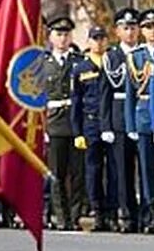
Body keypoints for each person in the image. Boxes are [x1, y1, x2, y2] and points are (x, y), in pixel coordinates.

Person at [72, 25, 116, 231]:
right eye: (95, 38)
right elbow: (77, 102)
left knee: (114, 169)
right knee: (93, 170)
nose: (99, 42)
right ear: (88, 42)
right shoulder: (81, 68)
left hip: (112, 124)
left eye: (102, 38)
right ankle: (97, 211)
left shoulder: (114, 62)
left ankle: (113, 211)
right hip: (90, 123)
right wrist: (78, 132)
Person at [102, 7, 141, 233]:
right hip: (119, 118)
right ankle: (125, 213)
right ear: (117, 31)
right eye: (126, 28)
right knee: (122, 170)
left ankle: (144, 213)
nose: (130, 33)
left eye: (133, 28)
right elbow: (105, 92)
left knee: (145, 169)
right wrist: (105, 124)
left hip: (141, 114)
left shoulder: (145, 54)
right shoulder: (112, 57)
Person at [43, 14, 83, 231]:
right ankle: (61, 217)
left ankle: (75, 216)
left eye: (66, 34)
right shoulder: (43, 63)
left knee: (77, 173)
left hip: (75, 123)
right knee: (57, 174)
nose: (63, 38)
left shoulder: (79, 61)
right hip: (54, 122)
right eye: (58, 34)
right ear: (50, 37)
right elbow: (38, 98)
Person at [129, 8, 154, 233]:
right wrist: (131, 124)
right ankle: (151, 214)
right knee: (147, 169)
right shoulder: (136, 57)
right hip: (144, 116)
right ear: (142, 31)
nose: (153, 32)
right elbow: (130, 94)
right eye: (148, 27)